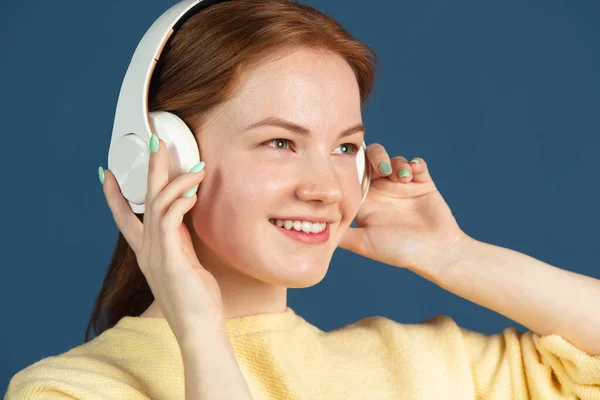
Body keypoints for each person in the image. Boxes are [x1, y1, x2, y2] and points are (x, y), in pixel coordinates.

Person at [6, 0, 600, 399]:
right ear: (165, 154)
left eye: (345, 148)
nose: (324, 189)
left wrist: (450, 254)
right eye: (280, 142)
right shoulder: (73, 390)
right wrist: (200, 332)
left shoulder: (425, 367)